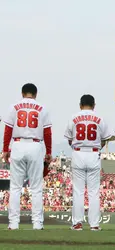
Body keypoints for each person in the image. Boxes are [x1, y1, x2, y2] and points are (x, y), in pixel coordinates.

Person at [2, 83, 52, 230]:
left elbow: (8, 130)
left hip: (18, 144)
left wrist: (5, 149)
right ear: (35, 94)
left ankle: (13, 223)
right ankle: (37, 224)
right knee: (36, 188)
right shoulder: (42, 108)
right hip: (35, 146)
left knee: (15, 187)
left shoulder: (14, 107)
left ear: (22, 93)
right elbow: (48, 132)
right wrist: (48, 152)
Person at [65, 94, 111, 231]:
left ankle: (77, 223)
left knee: (78, 191)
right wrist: (96, 147)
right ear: (94, 105)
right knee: (93, 192)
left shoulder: (73, 117)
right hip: (93, 153)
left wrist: (77, 147)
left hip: (78, 152)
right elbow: (105, 139)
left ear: (80, 105)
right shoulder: (100, 119)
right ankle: (94, 224)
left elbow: (69, 140)